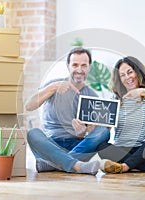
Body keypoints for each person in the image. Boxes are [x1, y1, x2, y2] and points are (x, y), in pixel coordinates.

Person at [25, 47, 110, 175]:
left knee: (103, 132)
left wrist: (84, 132)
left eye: (84, 65)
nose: (79, 70)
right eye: (75, 65)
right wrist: (53, 88)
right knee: (33, 133)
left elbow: (92, 132)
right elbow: (29, 106)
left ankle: (54, 163)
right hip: (52, 144)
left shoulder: (92, 97)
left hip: (77, 146)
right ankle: (75, 165)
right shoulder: (53, 85)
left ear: (89, 68)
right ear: (68, 66)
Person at [98, 56, 145, 174]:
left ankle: (123, 167)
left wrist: (143, 92)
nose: (127, 77)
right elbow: (106, 128)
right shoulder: (115, 99)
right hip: (122, 150)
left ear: (138, 72)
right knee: (101, 145)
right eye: (122, 75)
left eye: (130, 72)